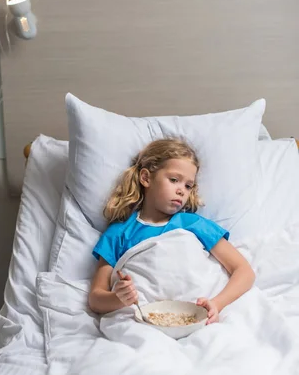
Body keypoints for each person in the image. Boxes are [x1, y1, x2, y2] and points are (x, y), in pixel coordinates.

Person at [88, 138, 255, 324]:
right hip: (145, 319)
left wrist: (217, 303)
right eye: (174, 180)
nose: (182, 191)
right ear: (146, 178)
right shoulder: (118, 232)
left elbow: (244, 271)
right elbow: (95, 299)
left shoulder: (193, 223)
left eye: (188, 185)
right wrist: (118, 298)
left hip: (197, 314)